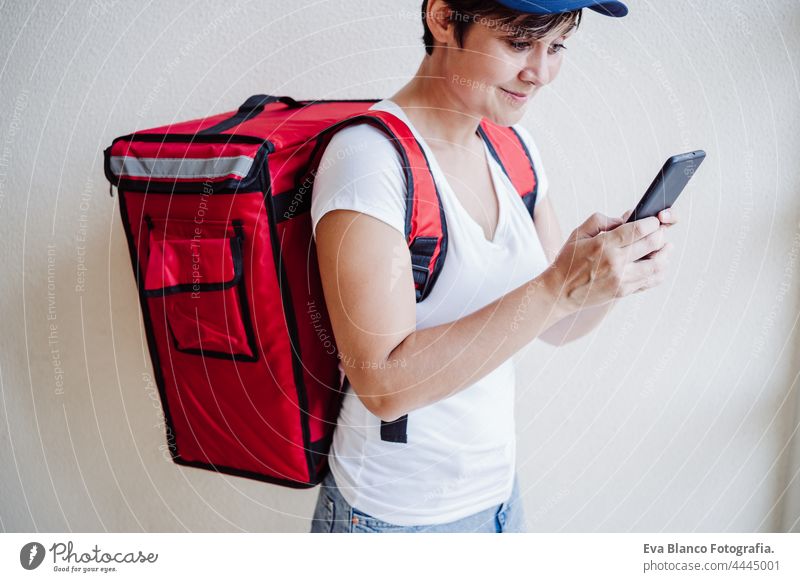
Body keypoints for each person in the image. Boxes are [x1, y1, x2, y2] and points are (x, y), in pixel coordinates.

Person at [309, 0, 676, 533]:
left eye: (556, 47)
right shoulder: (368, 158)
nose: (541, 73)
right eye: (518, 43)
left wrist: (607, 276)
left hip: (498, 497)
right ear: (441, 17)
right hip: (393, 517)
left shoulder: (511, 144)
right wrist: (559, 286)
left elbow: (557, 323)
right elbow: (382, 386)